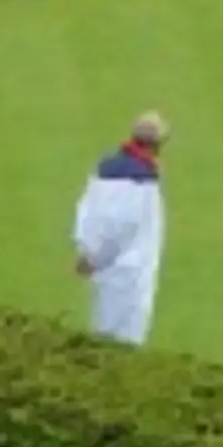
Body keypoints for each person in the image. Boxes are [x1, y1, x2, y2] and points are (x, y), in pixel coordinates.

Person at [72, 113, 169, 347]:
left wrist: (87, 251)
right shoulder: (140, 181)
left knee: (105, 330)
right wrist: (95, 259)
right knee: (121, 340)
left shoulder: (104, 169)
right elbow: (122, 228)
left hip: (111, 268)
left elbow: (86, 211)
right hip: (127, 273)